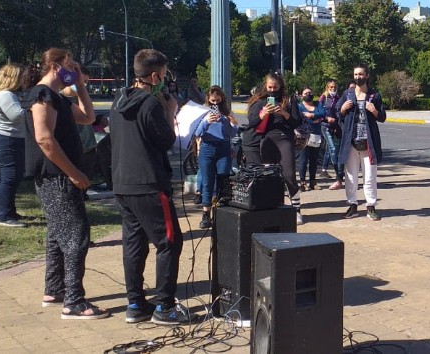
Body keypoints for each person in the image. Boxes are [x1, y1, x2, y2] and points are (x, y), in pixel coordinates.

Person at [23, 48, 108, 319]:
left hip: (59, 176)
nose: (77, 68)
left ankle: (55, 288)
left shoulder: (56, 96)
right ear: (57, 66)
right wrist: (73, 173)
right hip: (56, 177)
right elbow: (44, 139)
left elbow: (88, 116)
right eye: (72, 65)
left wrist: (81, 85)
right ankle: (74, 301)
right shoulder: (42, 95)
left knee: (57, 233)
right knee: (75, 236)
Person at [110, 49, 188, 325]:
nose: (166, 81)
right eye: (164, 76)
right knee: (169, 242)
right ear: (154, 75)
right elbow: (167, 141)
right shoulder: (151, 105)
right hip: (149, 183)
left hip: (123, 182)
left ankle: (135, 303)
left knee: (134, 244)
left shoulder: (118, 99)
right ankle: (164, 307)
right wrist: (169, 110)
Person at [241, 72, 303, 223]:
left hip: (283, 138)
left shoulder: (288, 100)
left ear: (280, 86)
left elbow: (296, 122)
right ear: (265, 86)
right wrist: (263, 114)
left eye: (275, 87)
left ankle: (296, 209)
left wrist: (283, 113)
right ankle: (274, 206)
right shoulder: (259, 100)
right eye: (270, 87)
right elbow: (251, 122)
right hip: (265, 140)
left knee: (288, 174)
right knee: (269, 176)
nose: (272, 90)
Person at [336, 64, 387, 221]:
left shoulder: (374, 95)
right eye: (355, 74)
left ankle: (370, 207)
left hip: (368, 143)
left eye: (360, 74)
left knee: (370, 176)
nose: (358, 77)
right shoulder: (347, 94)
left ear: (367, 76)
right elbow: (338, 113)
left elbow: (382, 117)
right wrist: (343, 109)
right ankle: (352, 206)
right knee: (350, 176)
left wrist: (374, 111)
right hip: (350, 142)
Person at [0, 64, 28, 227]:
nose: (24, 79)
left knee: (8, 177)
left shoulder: (8, 95)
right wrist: (35, 108)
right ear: (13, 78)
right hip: (6, 140)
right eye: (21, 76)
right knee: (10, 177)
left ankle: (8, 211)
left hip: (6, 139)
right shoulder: (6, 95)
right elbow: (18, 116)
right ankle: (4, 216)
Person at [194, 86, 238, 229]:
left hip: (223, 148)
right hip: (207, 148)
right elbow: (198, 132)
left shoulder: (226, 113)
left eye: (218, 101)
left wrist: (231, 123)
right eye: (213, 101)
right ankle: (206, 215)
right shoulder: (203, 113)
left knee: (223, 179)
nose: (215, 105)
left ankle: (220, 212)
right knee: (207, 182)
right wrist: (207, 121)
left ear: (222, 100)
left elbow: (231, 133)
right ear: (208, 99)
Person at [297, 86, 326, 193]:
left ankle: (313, 181)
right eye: (306, 93)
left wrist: (311, 115)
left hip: (317, 135)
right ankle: (302, 182)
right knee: (303, 160)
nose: (309, 95)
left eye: (310, 92)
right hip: (304, 136)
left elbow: (323, 113)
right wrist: (314, 118)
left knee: (314, 160)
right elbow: (299, 117)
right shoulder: (299, 106)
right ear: (301, 96)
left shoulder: (317, 104)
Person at [319, 80, 345, 189]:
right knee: (333, 149)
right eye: (331, 87)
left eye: (334, 87)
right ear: (327, 87)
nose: (333, 89)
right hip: (325, 126)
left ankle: (324, 170)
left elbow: (339, 114)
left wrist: (337, 127)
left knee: (330, 150)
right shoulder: (323, 98)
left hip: (334, 127)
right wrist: (326, 118)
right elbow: (318, 112)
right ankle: (339, 175)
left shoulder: (338, 99)